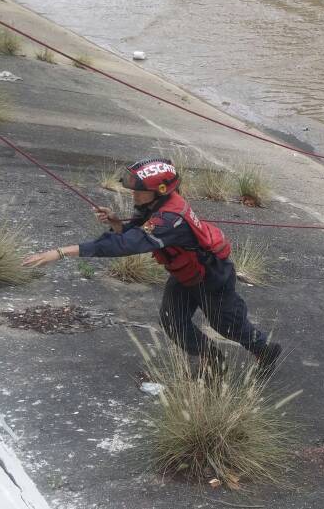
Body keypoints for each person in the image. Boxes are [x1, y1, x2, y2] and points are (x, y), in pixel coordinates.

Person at [22, 158, 281, 375]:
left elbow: (126, 245)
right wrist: (115, 223)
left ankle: (265, 350)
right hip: (185, 273)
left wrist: (62, 252)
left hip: (211, 275)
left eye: (138, 190)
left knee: (227, 326)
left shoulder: (170, 218)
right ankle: (213, 360)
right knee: (173, 321)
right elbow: (134, 231)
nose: (133, 193)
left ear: (161, 190)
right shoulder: (153, 206)